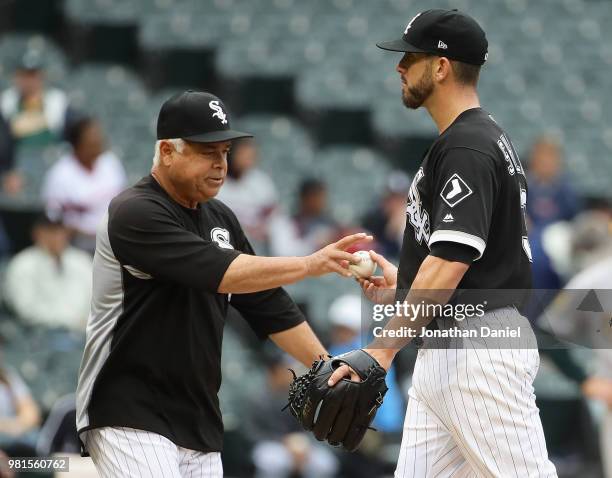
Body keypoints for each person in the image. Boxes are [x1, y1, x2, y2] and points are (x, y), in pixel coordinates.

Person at [75, 90, 370, 477]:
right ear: (166, 151)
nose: (220, 164)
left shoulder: (220, 218)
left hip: (198, 416)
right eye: (206, 151)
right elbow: (220, 271)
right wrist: (309, 264)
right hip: (129, 408)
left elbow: (268, 303)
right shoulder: (135, 212)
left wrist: (325, 366)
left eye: (225, 151)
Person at [327, 10, 558, 477]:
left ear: (441, 67)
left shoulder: (468, 145)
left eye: (409, 57)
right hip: (450, 347)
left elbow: (452, 260)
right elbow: (463, 265)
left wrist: (382, 350)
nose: (399, 67)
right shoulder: (472, 139)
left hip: (476, 349)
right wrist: (403, 283)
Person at [41, 116, 126, 253]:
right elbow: (53, 221)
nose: (98, 141)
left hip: (114, 239)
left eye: (98, 137)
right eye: (91, 139)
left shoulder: (111, 163)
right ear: (77, 144)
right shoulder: (59, 174)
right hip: (78, 244)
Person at [3, 212, 92, 331]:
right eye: (49, 231)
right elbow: (26, 310)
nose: (55, 236)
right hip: (39, 336)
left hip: (83, 332)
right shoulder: (22, 264)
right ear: (36, 233)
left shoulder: (83, 261)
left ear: (66, 233)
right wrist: (68, 321)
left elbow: (96, 300)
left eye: (58, 230)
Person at [216, 138, 278, 248]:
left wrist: (261, 227)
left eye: (251, 155)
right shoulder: (216, 180)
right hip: (227, 231)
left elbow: (272, 210)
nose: (247, 159)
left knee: (279, 226)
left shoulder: (260, 180)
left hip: (258, 231)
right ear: (231, 154)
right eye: (243, 154)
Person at [269, 178, 340, 257]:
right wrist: (314, 243)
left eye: (323, 197)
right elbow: (282, 252)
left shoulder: (329, 223)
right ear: (304, 198)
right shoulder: (285, 222)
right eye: (316, 196)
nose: (321, 202)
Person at [526, 137, 581, 228]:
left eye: (550, 158)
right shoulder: (524, 186)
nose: (545, 163)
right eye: (541, 158)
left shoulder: (565, 189)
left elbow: (572, 214)